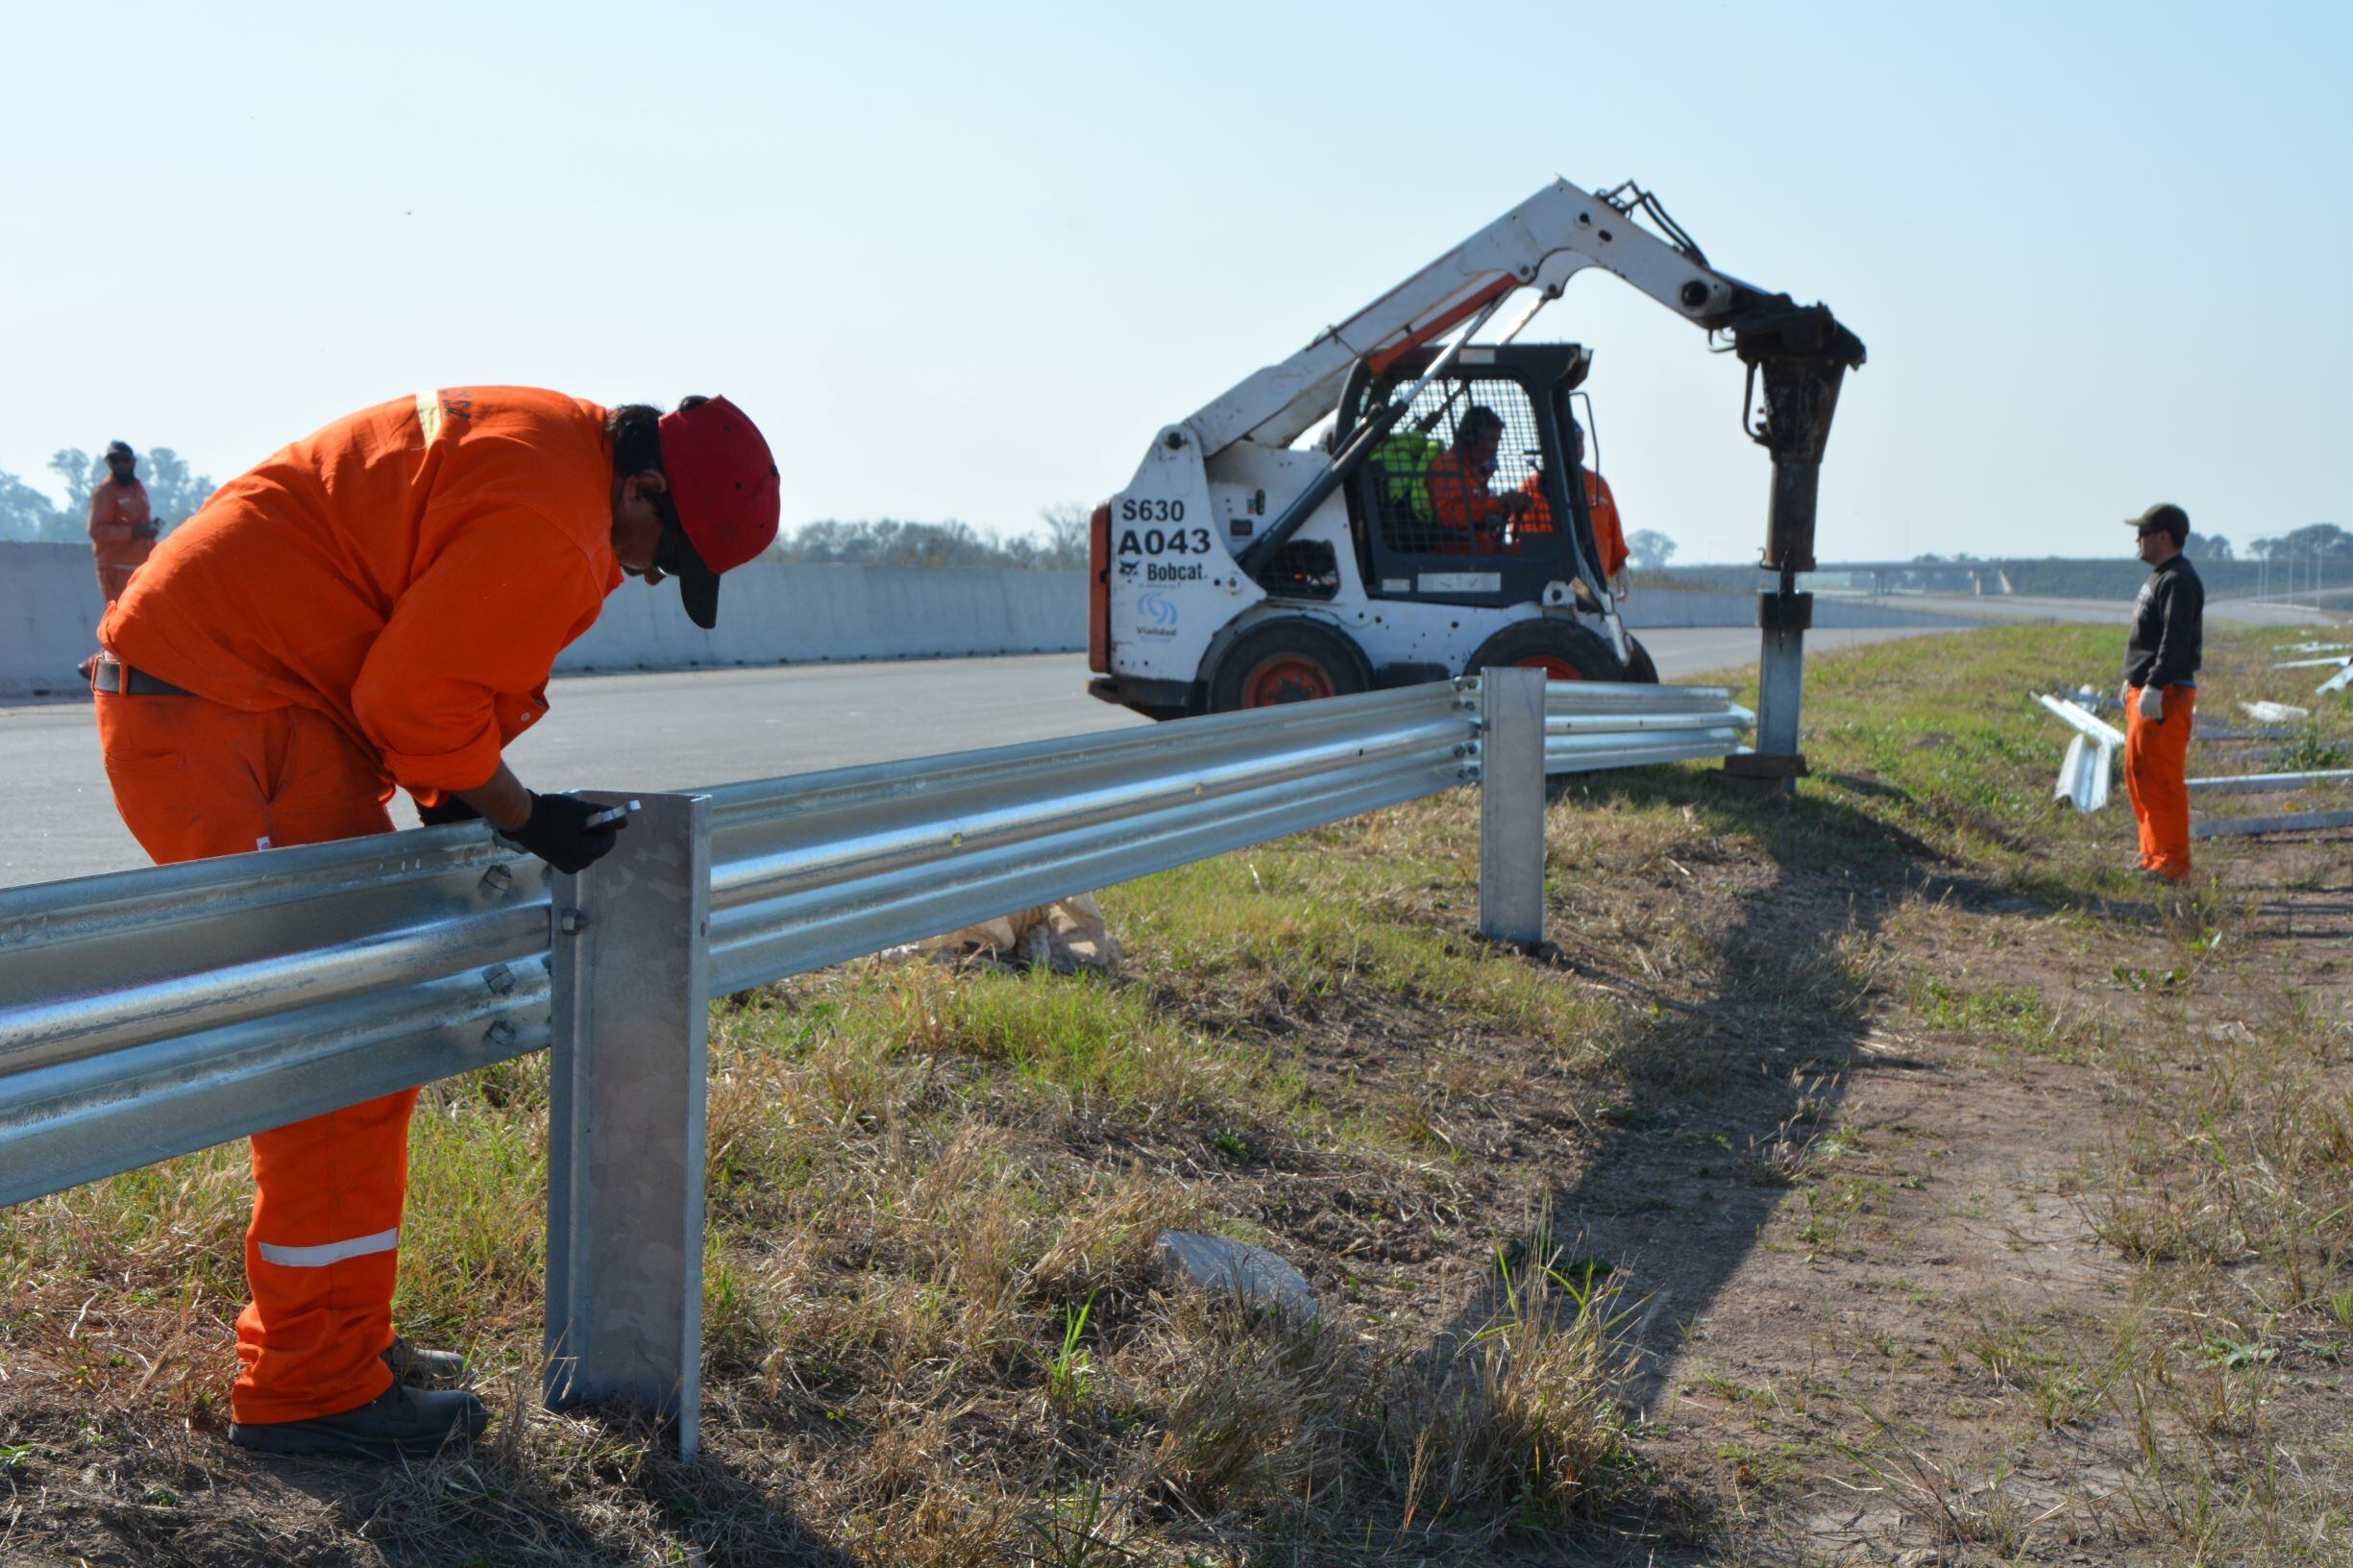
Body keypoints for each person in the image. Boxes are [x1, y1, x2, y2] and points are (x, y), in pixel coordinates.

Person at [91, 387, 780, 1458]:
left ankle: (338, 1343)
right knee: (340, 1055)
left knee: (370, 1046)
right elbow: (415, 701)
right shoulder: (556, 522)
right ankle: (308, 1390)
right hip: (226, 718)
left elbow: (416, 654)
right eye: (659, 554)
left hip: (258, 700)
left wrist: (453, 784)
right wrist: (522, 815)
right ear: (643, 486)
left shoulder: (547, 444)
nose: (645, 574)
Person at [2119, 502, 2203, 882]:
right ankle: (2152, 855)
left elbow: (2175, 641)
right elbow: (2150, 638)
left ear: (2163, 536)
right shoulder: (2161, 577)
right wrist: (2134, 678)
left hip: (2165, 694)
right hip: (2147, 690)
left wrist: (2153, 683)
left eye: (2143, 532)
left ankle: (2171, 863)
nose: (2137, 539)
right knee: (2140, 775)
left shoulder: (2178, 580)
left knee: (2163, 778)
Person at [1512, 423, 1630, 595]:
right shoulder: (1530, 489)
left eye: (1580, 442)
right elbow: (1528, 545)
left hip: (1596, 583)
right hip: (1554, 586)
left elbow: (1614, 532)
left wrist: (1621, 568)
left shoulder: (1598, 485)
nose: (1578, 448)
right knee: (1588, 604)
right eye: (1572, 442)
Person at [78, 442, 158, 681]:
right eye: (114, 461)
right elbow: (97, 531)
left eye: (124, 459)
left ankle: (104, 667)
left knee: (141, 621)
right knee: (122, 623)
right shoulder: (104, 493)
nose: (120, 465)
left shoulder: (137, 488)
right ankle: (95, 667)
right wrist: (134, 533)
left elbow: (143, 525)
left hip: (139, 566)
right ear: (108, 464)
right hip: (114, 568)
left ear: (133, 461)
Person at [1424, 405, 1532, 550]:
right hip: (1461, 555)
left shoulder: (1472, 472)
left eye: (1497, 441)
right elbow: (1450, 516)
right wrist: (1497, 503)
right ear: (1471, 438)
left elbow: (1479, 510)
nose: (1495, 448)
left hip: (1482, 549)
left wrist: (1507, 504)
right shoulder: (1448, 466)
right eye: (1491, 441)